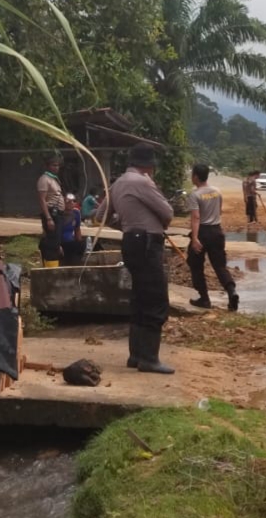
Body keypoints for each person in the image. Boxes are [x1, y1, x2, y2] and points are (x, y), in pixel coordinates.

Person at [95, 144, 175, 374]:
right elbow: (168, 213)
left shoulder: (118, 183)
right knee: (155, 298)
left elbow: (100, 215)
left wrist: (126, 226)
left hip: (131, 241)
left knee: (140, 296)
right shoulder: (142, 182)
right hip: (148, 243)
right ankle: (149, 358)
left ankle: (136, 355)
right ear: (148, 166)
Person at [186, 164, 239, 311]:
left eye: (192, 174)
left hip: (202, 232)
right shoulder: (217, 191)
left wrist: (195, 238)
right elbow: (219, 212)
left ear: (196, 176)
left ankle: (204, 299)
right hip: (217, 231)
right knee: (220, 266)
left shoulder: (195, 195)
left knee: (195, 265)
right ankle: (231, 291)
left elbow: (196, 217)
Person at [36, 152, 65, 268]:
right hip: (51, 214)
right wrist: (48, 218)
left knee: (56, 241)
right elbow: (42, 200)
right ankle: (50, 268)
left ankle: (52, 265)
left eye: (57, 165)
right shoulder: (44, 179)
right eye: (53, 165)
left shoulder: (54, 179)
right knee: (52, 243)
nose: (56, 167)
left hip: (58, 214)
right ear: (47, 166)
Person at [59, 193, 85, 266]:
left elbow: (77, 230)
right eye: (68, 201)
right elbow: (55, 232)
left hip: (71, 242)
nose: (71, 203)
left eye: (73, 201)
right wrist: (57, 246)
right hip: (60, 242)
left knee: (82, 244)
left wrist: (80, 243)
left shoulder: (76, 213)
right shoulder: (59, 213)